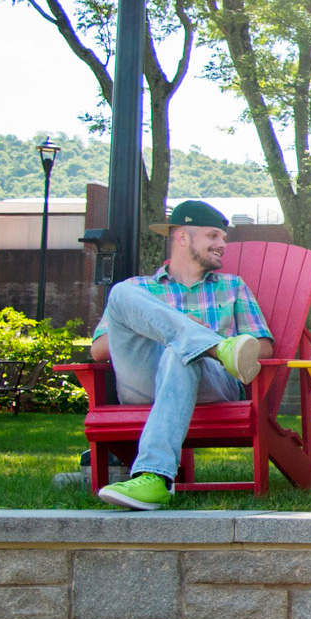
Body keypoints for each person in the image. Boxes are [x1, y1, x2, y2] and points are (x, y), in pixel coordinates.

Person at [89, 201, 269, 510]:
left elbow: (263, 348)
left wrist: (183, 341)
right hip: (143, 380)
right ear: (182, 237)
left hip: (214, 382)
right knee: (123, 295)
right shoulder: (138, 289)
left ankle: (154, 477)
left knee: (181, 354)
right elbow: (100, 349)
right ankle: (212, 345)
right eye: (213, 236)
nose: (222, 245)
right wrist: (178, 325)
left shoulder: (233, 287)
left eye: (224, 238)